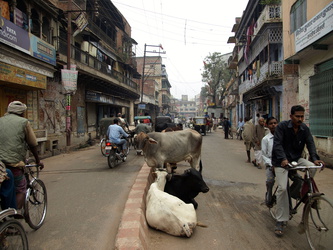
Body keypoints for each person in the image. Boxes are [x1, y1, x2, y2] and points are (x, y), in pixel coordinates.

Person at [272, 105, 325, 236]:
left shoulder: (304, 129)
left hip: (296, 159)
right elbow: (277, 144)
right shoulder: (282, 127)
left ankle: (302, 191)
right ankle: (281, 220)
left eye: (302, 116)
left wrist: (315, 158)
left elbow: (310, 143)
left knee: (311, 168)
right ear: (291, 117)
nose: (300, 119)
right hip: (281, 161)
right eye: (297, 116)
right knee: (283, 189)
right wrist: (283, 159)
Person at [0, 101, 44, 210]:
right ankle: (14, 215)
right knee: (20, 188)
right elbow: (32, 144)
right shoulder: (24, 122)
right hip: (13, 162)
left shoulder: (0, 120)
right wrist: (38, 161)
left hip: (0, 163)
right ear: (22, 113)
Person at [261, 117, 278, 207]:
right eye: (271, 123)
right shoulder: (265, 139)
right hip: (270, 164)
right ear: (267, 126)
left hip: (281, 164)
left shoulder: (282, 137)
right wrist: (272, 165)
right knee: (270, 181)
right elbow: (264, 155)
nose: (273, 125)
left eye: (275, 123)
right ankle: (269, 197)